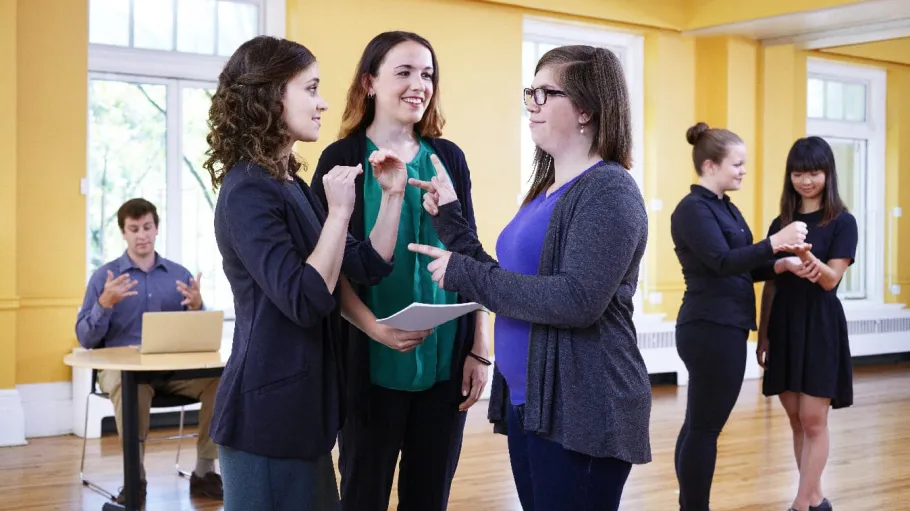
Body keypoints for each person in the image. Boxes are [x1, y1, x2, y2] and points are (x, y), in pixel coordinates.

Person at [408, 45, 650, 510]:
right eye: (530, 93)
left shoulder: (610, 191)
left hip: (583, 405)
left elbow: (576, 300)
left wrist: (465, 275)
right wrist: (452, 221)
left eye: (545, 93)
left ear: (585, 109)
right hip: (535, 402)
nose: (532, 105)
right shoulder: (548, 190)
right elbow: (508, 280)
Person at [204, 35, 429, 511]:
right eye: (310, 88)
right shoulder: (247, 190)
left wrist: (392, 196)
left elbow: (364, 266)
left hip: (304, 413)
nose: (323, 102)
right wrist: (338, 212)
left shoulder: (290, 184)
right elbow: (305, 299)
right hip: (265, 418)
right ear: (269, 97)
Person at [310, 31, 489, 511]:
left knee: (429, 496)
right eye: (404, 72)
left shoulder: (448, 157)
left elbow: (469, 252)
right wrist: (376, 331)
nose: (419, 84)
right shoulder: (341, 160)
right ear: (369, 82)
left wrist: (479, 347)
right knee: (363, 494)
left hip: (445, 361)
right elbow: (333, 272)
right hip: (367, 361)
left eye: (427, 74)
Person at [669, 123, 809, 511]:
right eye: (737, 164)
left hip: (722, 325)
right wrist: (775, 243)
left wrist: (778, 266)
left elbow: (740, 266)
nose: (743, 170)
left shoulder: (723, 207)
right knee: (704, 427)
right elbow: (719, 262)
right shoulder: (692, 209)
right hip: (709, 327)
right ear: (710, 165)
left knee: (699, 424)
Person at [75, 198, 223, 506]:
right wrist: (104, 304)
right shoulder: (105, 278)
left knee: (220, 382)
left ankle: (205, 472)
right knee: (133, 388)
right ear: (123, 233)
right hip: (124, 373)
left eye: (147, 227)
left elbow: (199, 333)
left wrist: (198, 307)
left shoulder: (178, 275)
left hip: (173, 372)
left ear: (156, 229)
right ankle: (135, 479)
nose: (141, 235)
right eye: (134, 229)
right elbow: (86, 339)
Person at [757, 136, 858, 511]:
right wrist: (763, 333)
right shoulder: (781, 223)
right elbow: (770, 283)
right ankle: (815, 499)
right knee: (796, 420)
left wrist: (808, 261)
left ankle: (801, 503)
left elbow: (832, 279)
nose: (806, 180)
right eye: (798, 173)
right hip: (784, 324)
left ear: (827, 174)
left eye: (814, 172)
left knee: (814, 420)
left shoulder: (843, 222)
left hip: (820, 325)